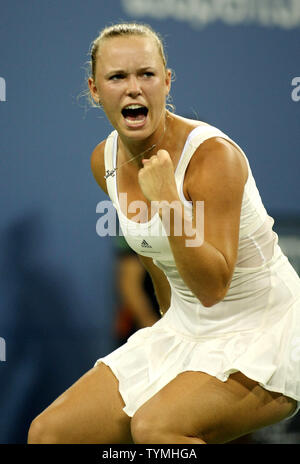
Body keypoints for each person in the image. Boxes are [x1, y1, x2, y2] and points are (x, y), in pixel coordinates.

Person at [27, 22, 300, 444]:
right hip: (186, 329)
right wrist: (170, 337)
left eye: (146, 74)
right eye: (117, 77)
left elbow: (213, 286)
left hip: (268, 330)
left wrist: (170, 204)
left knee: (158, 429)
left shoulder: (213, 157)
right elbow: (158, 264)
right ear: (95, 89)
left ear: (167, 81)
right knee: (50, 434)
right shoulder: (106, 161)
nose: (134, 88)